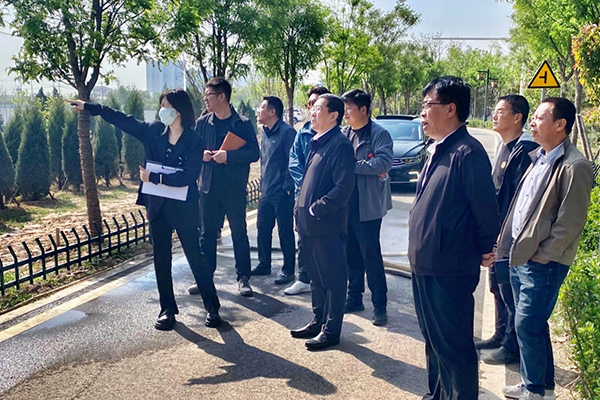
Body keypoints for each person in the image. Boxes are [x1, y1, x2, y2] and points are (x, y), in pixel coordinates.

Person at [67, 90, 222, 331]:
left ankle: (212, 307)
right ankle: (167, 309)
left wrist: (155, 177)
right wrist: (89, 107)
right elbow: (122, 119)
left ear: (179, 111)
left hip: (184, 208)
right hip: (158, 207)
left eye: (166, 106)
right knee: (161, 259)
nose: (162, 110)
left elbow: (188, 175)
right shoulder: (153, 131)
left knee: (195, 257)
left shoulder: (195, 141)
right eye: (161, 105)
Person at [408, 76, 500, 399]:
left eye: (427, 105)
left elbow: (485, 208)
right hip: (425, 264)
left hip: (449, 268)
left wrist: (486, 247)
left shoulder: (467, 152)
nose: (422, 113)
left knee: (454, 347)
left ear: (450, 109)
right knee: (433, 341)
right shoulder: (437, 150)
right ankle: (437, 394)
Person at [498, 97, 593, 400]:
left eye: (539, 118)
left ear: (560, 124)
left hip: (542, 263)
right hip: (520, 256)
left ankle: (534, 390)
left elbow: (570, 223)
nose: (533, 123)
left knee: (527, 325)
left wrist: (542, 256)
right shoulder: (539, 156)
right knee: (533, 326)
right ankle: (541, 386)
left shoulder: (575, 166)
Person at [290, 94, 355, 351]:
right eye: (312, 108)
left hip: (326, 226)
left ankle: (331, 330)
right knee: (316, 278)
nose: (312, 112)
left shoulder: (339, 145)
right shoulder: (317, 142)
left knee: (333, 279)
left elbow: (343, 187)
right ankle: (318, 321)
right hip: (308, 226)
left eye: (318, 108)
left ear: (334, 115)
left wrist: (317, 208)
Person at [477, 95, 538, 366]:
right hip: (497, 232)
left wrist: (505, 232)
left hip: (509, 235)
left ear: (517, 117)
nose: (494, 115)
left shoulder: (523, 151)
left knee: (509, 289)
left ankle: (511, 346)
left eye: (500, 111)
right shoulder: (505, 147)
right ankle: (500, 334)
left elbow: (517, 198)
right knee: (497, 286)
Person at [188, 77, 260, 297]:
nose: (205, 99)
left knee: (239, 233)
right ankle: (205, 277)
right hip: (208, 187)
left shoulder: (242, 123)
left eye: (208, 95)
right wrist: (201, 155)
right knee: (207, 234)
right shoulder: (203, 123)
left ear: (222, 97)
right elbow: (192, 149)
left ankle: (243, 278)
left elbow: (254, 153)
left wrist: (228, 156)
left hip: (233, 188)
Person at [340, 89, 393, 326]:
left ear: (363, 109)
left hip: (368, 205)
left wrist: (352, 166)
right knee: (350, 253)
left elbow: (383, 163)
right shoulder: (344, 133)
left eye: (349, 108)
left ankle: (380, 305)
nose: (345, 113)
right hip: (347, 204)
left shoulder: (379, 134)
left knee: (371, 255)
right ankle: (354, 297)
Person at [284, 85, 331, 295]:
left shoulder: (335, 136)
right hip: (302, 195)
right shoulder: (302, 133)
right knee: (303, 238)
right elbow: (294, 161)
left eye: (317, 105)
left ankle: (327, 280)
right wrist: (305, 186)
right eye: (310, 104)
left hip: (325, 198)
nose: (312, 108)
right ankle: (303, 278)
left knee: (326, 241)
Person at [250, 96, 296, 285]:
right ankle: (264, 264)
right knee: (262, 228)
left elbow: (292, 162)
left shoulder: (287, 133)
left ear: (272, 112)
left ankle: (288, 270)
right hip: (266, 191)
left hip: (282, 192)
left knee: (285, 231)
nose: (258, 111)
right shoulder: (266, 133)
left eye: (262, 108)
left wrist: (287, 187)